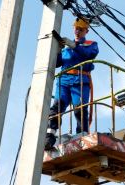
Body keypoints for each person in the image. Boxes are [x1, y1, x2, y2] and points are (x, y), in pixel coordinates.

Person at [45, 17, 99, 150]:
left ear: (86, 31)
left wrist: (73, 45)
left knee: (79, 108)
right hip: (64, 81)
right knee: (56, 109)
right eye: (76, 29)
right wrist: (57, 50)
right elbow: (58, 63)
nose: (77, 31)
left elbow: (88, 55)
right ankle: (49, 137)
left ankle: (81, 135)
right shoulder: (65, 47)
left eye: (81, 29)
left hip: (80, 80)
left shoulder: (91, 44)